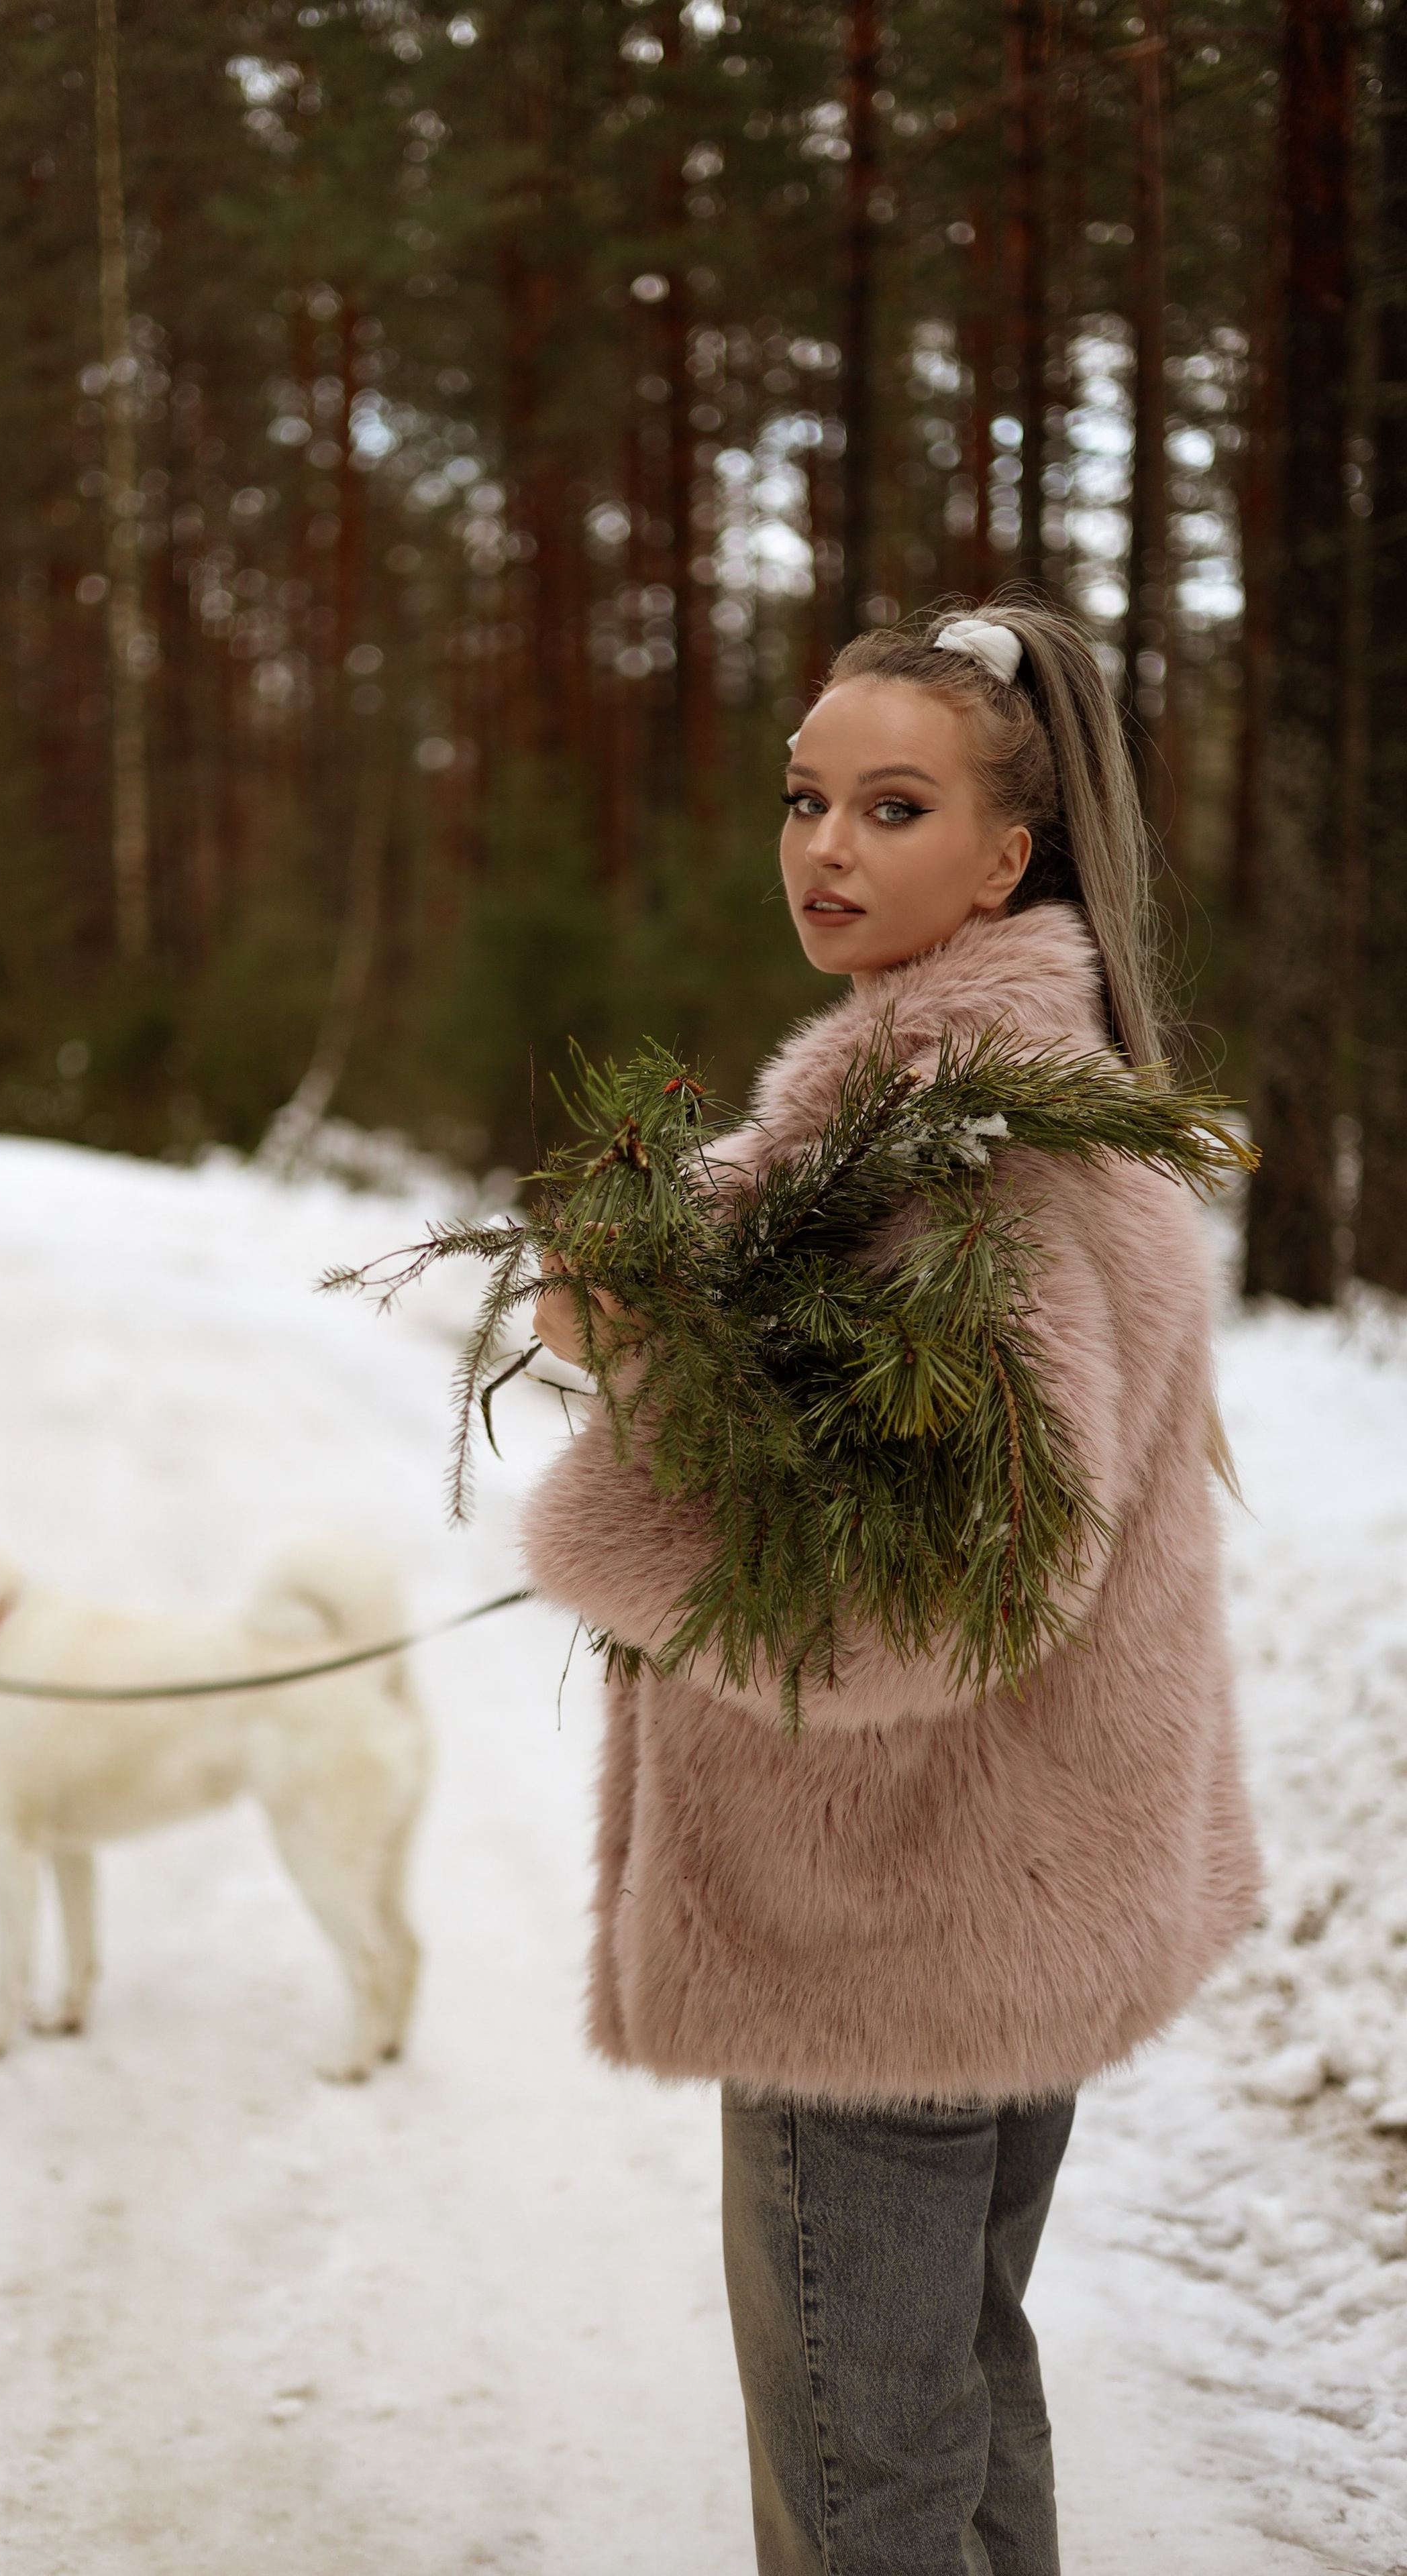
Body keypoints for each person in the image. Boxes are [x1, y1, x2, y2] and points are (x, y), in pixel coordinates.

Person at [523, 596, 1261, 2576]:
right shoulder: (971, 1111)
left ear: (1007, 858)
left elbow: (948, 1592)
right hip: (986, 1902)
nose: (826, 849)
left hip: (881, 1926)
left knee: (865, 2488)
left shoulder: (969, 1158)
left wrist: (621, 1486)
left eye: (893, 807)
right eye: (805, 799)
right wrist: (657, 1298)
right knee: (952, 2410)